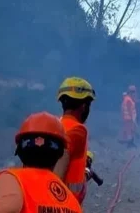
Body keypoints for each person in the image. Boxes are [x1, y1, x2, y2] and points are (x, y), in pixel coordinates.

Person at [0, 112, 82, 213]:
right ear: (59, 154)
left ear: (20, 151)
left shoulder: (11, 179)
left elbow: (8, 206)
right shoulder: (72, 203)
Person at [55, 76, 96, 204]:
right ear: (84, 106)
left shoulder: (57, 124)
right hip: (66, 203)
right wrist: (86, 172)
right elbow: (59, 171)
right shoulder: (78, 131)